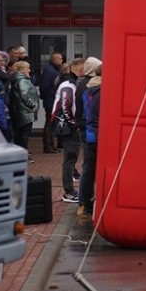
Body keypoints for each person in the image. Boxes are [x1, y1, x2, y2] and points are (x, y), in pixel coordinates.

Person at [52, 57, 85, 202]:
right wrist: (73, 123)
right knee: (70, 158)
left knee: (71, 157)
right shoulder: (69, 84)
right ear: (81, 69)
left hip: (67, 124)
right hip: (67, 126)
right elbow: (66, 105)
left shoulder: (70, 82)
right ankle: (69, 191)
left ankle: (69, 190)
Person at [78, 60, 102, 220]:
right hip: (95, 133)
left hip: (89, 132)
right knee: (90, 169)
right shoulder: (100, 90)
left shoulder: (87, 87)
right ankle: (87, 204)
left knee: (88, 169)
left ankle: (84, 203)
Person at [9, 60, 39, 160]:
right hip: (25, 111)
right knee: (24, 134)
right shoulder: (22, 81)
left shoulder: (18, 80)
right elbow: (25, 94)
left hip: (21, 110)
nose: (29, 70)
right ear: (22, 69)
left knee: (21, 134)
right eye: (27, 68)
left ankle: (21, 153)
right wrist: (33, 105)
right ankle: (23, 154)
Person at [39, 52, 64, 153]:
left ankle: (51, 145)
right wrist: (47, 96)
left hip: (53, 100)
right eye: (59, 59)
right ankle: (47, 145)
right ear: (53, 59)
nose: (61, 61)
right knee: (49, 123)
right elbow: (44, 86)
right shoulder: (50, 71)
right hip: (51, 100)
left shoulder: (53, 70)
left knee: (52, 124)